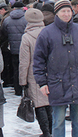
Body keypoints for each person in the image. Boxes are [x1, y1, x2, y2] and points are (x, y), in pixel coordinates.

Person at [33, 0, 78, 137]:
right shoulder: (47, 33)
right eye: (63, 11)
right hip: (57, 84)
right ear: (57, 13)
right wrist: (42, 82)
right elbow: (38, 60)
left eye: (68, 11)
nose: (66, 14)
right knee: (58, 122)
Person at [19, 9, 52, 137]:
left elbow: (24, 62)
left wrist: (22, 80)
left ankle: (46, 132)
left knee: (39, 105)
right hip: (50, 72)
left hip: (34, 75)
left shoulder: (27, 37)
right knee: (49, 103)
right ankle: (51, 130)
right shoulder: (49, 33)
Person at [0, 1, 27, 96]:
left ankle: (17, 90)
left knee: (16, 69)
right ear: (23, 8)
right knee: (26, 68)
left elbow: (3, 33)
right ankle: (26, 88)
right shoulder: (26, 19)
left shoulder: (7, 20)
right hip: (25, 49)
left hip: (13, 48)